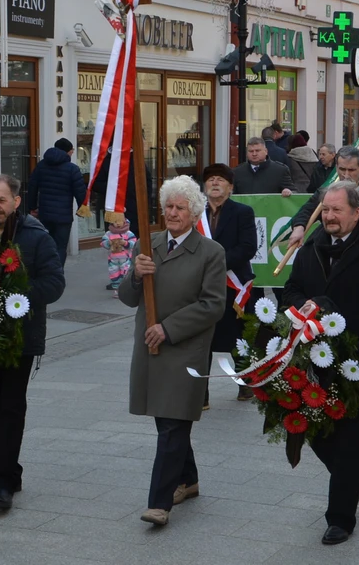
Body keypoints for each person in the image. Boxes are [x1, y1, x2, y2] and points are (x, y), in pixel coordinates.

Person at [283, 182, 359, 545]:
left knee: (351, 436)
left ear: (357, 212)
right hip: (312, 359)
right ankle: (347, 479)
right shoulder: (311, 249)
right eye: (325, 210)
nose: (329, 217)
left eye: (337, 210)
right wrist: (304, 306)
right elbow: (290, 290)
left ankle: (340, 517)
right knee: (314, 431)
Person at [120, 175, 227, 526]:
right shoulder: (147, 246)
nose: (173, 212)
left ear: (194, 213)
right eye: (168, 206)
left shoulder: (211, 252)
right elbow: (126, 297)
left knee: (172, 426)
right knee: (168, 421)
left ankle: (159, 503)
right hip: (151, 351)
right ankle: (189, 479)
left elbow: (213, 305)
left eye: (181, 207)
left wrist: (169, 328)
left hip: (185, 350)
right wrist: (135, 276)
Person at [0, 174, 66, 509]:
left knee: (10, 410)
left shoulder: (36, 236)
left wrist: (14, 295)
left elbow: (55, 283)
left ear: (16, 200)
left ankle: (2, 484)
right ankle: (10, 471)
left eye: (1, 201)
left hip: (19, 338)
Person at [201, 163, 259, 406]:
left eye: (220, 179)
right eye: (211, 179)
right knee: (201, 339)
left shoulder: (242, 212)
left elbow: (247, 247)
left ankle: (245, 385)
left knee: (239, 339)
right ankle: (199, 395)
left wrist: (216, 264)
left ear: (230, 186)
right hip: (201, 286)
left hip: (233, 286)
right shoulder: (195, 214)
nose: (215, 183)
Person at [289, 146, 359, 245]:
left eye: (351, 170)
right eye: (342, 169)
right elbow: (306, 211)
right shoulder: (325, 194)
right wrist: (299, 227)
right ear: (336, 168)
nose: (346, 175)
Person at [27, 137, 87, 267]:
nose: (72, 153)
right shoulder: (72, 169)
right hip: (63, 216)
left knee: (46, 244)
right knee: (60, 246)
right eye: (72, 150)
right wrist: (82, 210)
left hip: (45, 213)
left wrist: (32, 207)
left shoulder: (41, 165)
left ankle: (46, 271)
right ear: (67, 151)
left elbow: (32, 186)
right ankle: (57, 274)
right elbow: (80, 192)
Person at [101, 220, 136, 293]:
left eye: (120, 221)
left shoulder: (128, 233)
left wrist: (126, 243)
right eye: (115, 221)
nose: (118, 223)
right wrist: (108, 243)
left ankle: (126, 290)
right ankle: (117, 290)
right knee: (114, 275)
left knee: (126, 274)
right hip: (113, 260)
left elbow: (134, 243)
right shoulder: (109, 233)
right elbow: (103, 243)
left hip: (125, 259)